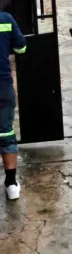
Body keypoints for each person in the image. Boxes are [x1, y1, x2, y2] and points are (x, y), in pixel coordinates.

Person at [0, 12, 26, 200]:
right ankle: (11, 184)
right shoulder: (6, 19)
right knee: (6, 132)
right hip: (3, 87)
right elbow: (21, 48)